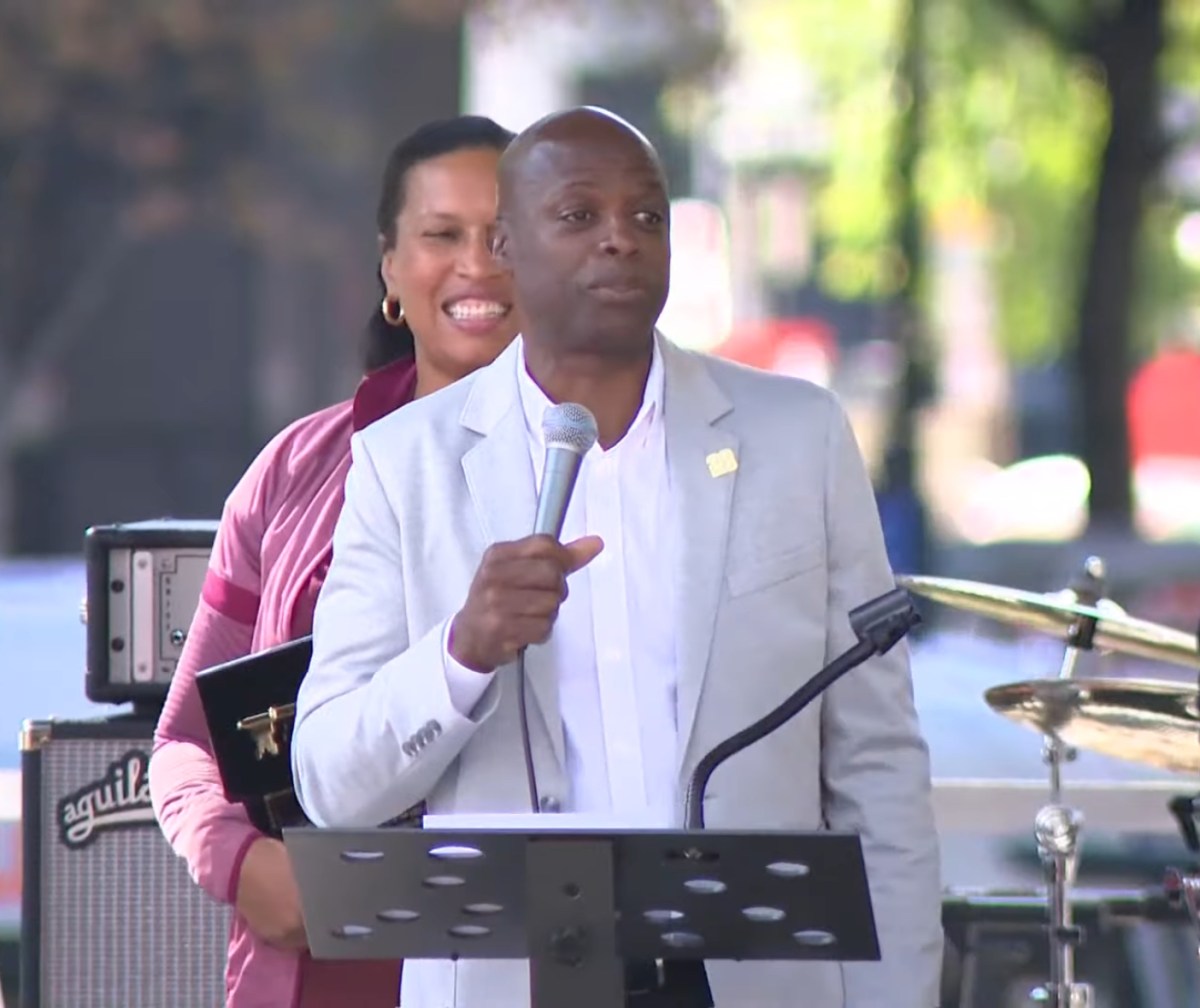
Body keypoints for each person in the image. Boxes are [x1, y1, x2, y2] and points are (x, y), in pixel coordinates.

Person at [291, 106, 942, 1008]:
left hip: (753, 982)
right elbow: (329, 783)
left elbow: (879, 763)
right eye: (578, 216)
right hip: (511, 983)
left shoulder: (798, 437)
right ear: (508, 248)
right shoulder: (406, 465)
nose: (621, 242)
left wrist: (898, 999)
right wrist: (461, 653)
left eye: (647, 217)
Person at [148, 114, 520, 1008]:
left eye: (505, 237)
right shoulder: (295, 471)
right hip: (307, 964)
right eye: (441, 235)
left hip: (515, 957)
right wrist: (239, 863)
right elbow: (185, 741)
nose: (476, 265)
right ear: (391, 268)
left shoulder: (603, 470)